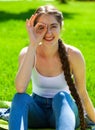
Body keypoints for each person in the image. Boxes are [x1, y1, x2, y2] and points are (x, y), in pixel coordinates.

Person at [9, 5, 95, 130]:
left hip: (64, 110)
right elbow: (20, 88)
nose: (48, 33)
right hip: (37, 113)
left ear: (61, 27)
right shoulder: (27, 53)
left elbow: (82, 93)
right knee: (19, 98)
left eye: (53, 26)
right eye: (41, 27)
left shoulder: (73, 55)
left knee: (62, 96)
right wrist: (33, 45)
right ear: (34, 29)